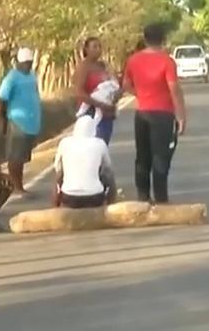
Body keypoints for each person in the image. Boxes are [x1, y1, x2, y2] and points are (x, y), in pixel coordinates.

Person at [122, 22, 187, 204]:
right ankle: (161, 198)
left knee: (142, 157)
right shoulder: (167, 61)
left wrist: (140, 94)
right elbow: (174, 89)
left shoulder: (133, 60)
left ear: (145, 38)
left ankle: (143, 197)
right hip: (163, 115)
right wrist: (181, 116)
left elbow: (126, 84)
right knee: (161, 156)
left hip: (142, 113)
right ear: (163, 39)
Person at [0, 47, 42, 196]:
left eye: (29, 63)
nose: (27, 66)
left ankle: (19, 185)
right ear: (18, 63)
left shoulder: (32, 76)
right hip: (17, 121)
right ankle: (16, 187)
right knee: (15, 156)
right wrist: (4, 120)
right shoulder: (12, 77)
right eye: (25, 63)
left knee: (22, 157)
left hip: (31, 123)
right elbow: (1, 100)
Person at [53, 113, 117, 209]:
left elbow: (57, 168)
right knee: (110, 176)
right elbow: (108, 168)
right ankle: (109, 208)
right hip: (94, 196)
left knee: (58, 177)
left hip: (69, 196)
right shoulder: (100, 143)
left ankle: (56, 209)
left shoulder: (64, 143)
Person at [74, 36, 120, 144]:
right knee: (92, 147)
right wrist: (100, 104)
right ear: (86, 49)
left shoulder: (103, 66)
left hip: (106, 113)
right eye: (94, 47)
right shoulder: (83, 67)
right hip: (91, 113)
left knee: (103, 146)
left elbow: (114, 85)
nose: (98, 49)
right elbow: (79, 92)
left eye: (99, 46)